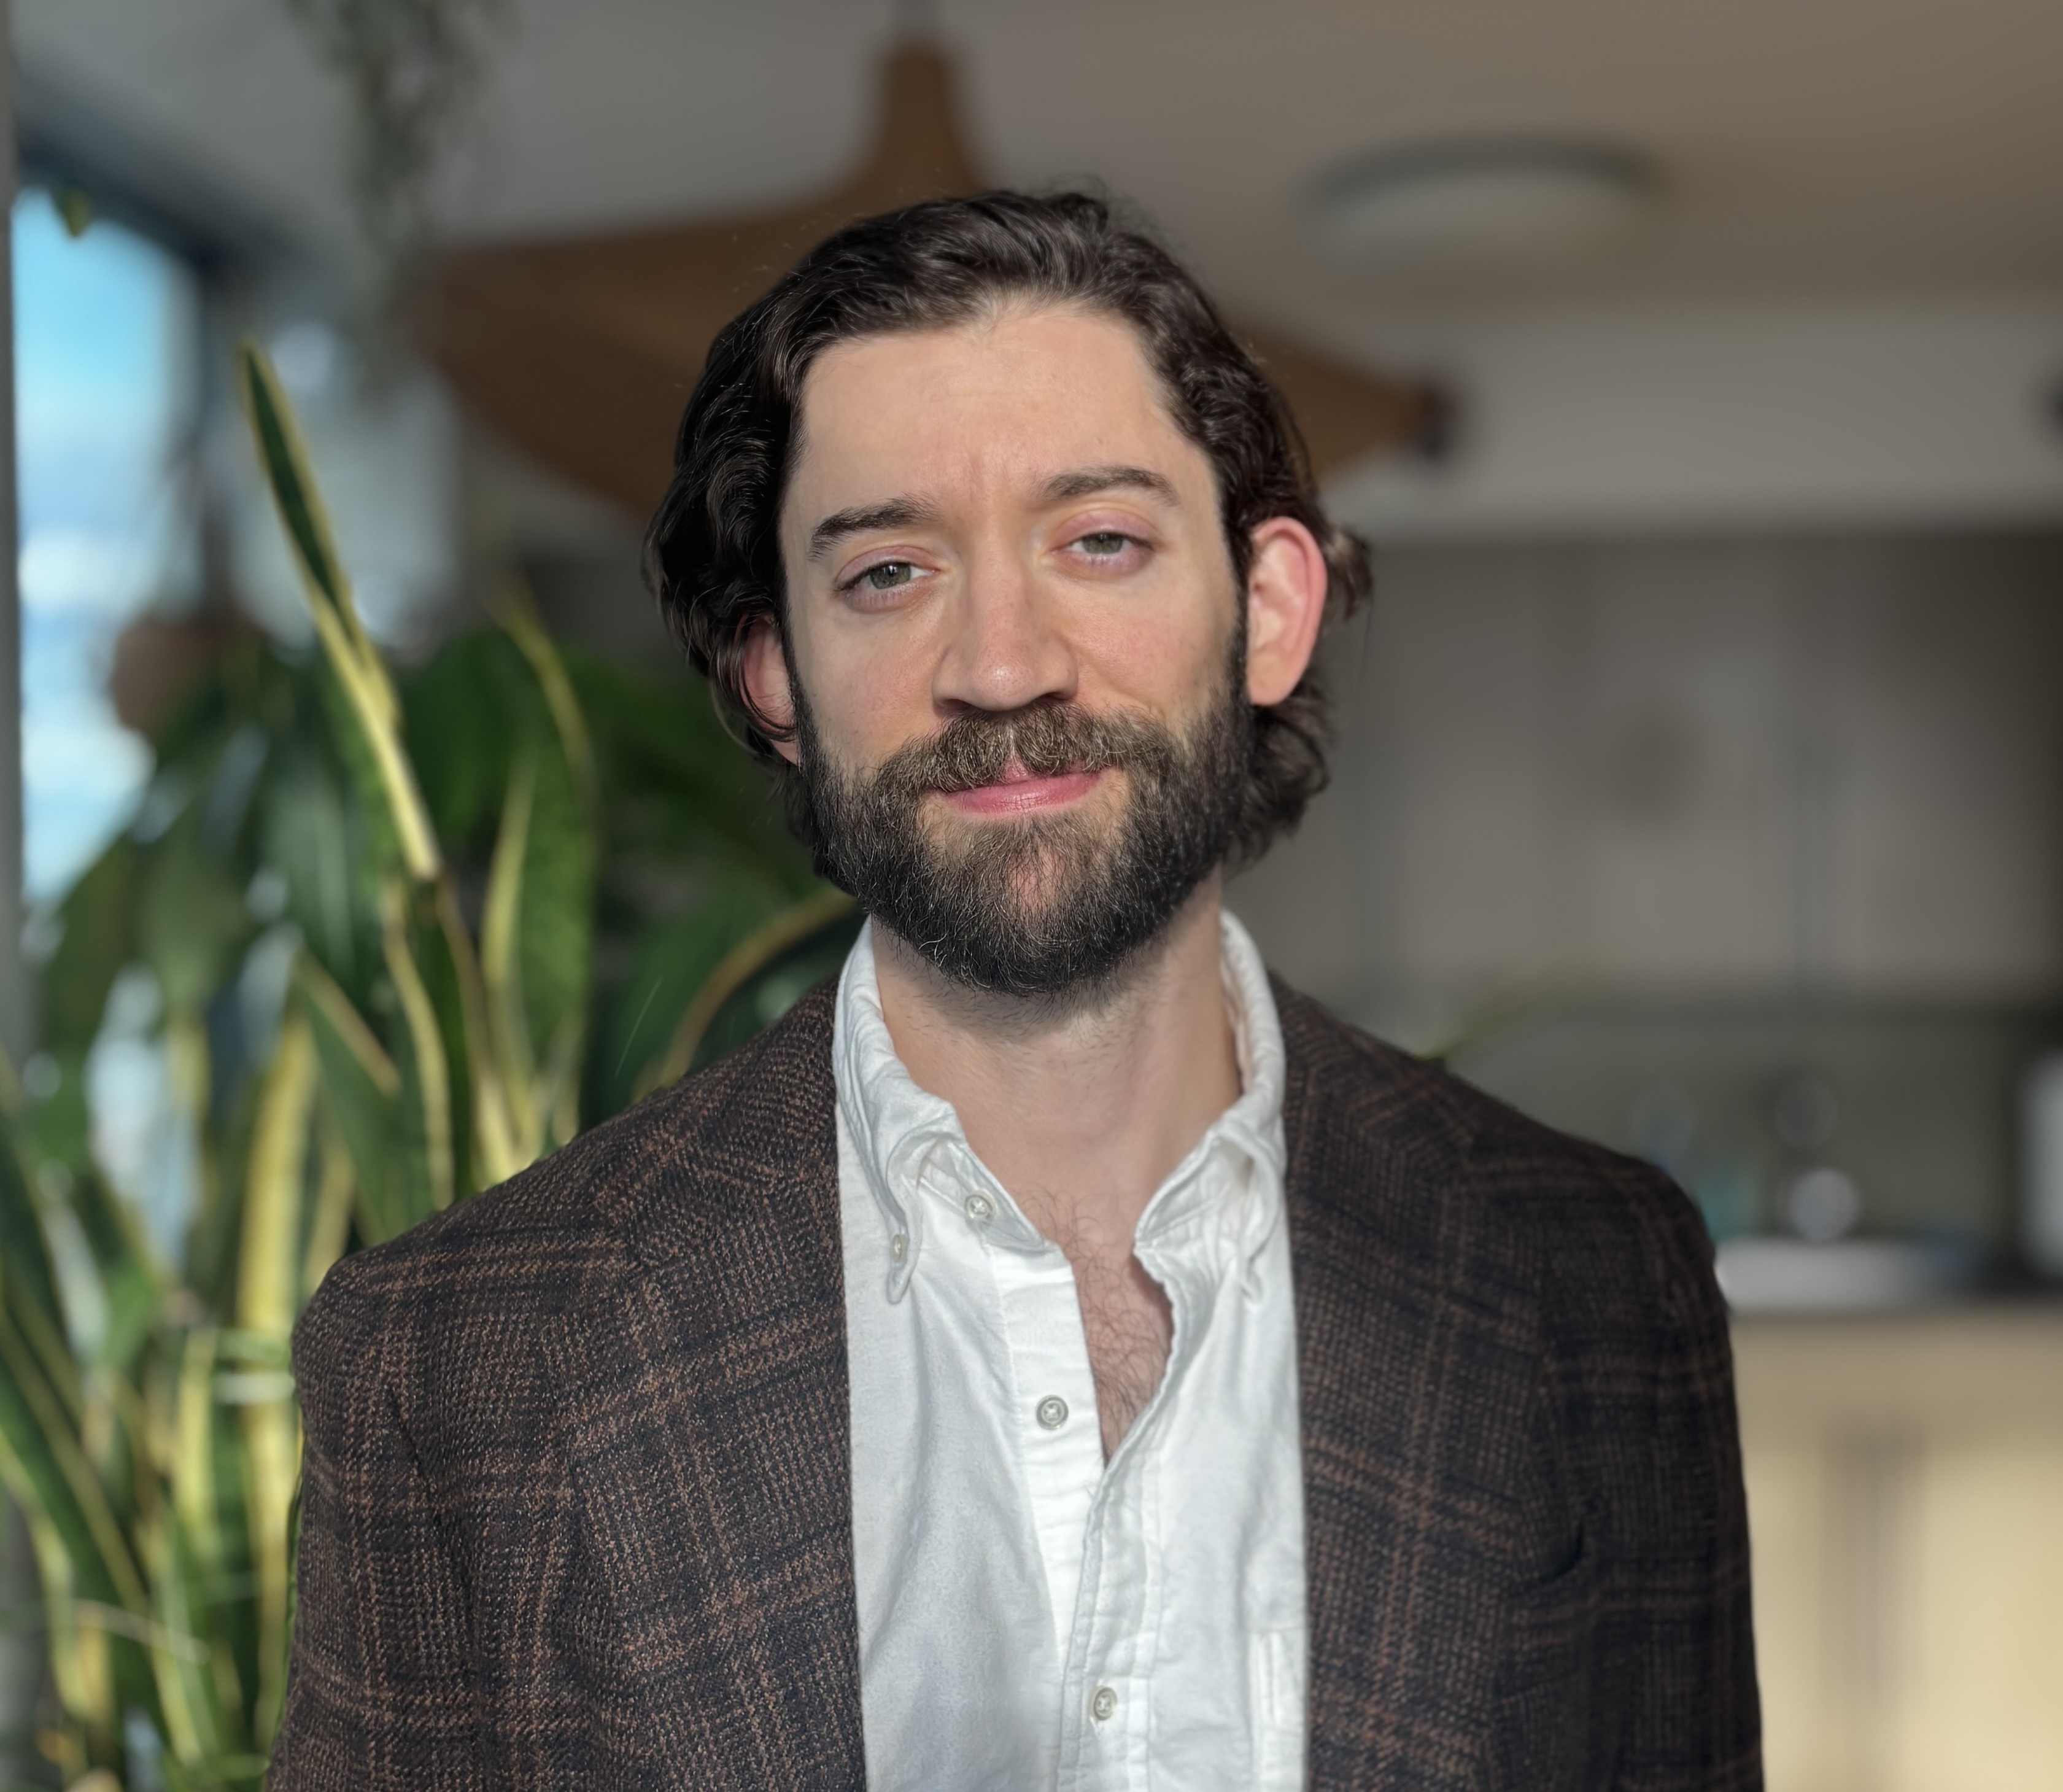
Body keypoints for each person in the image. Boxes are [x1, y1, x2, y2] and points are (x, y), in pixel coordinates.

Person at [273, 192, 1759, 1791]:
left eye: (1099, 543)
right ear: (773, 674)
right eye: (889, 572)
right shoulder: (451, 1357)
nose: (1000, 665)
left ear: (1265, 609)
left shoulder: (1598, 1277)